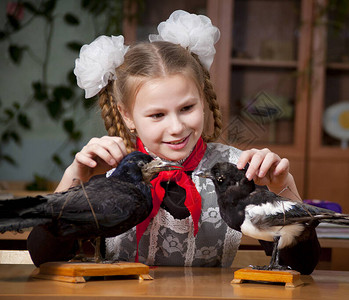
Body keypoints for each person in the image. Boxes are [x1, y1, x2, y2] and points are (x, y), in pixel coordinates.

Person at [27, 10, 320, 274]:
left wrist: (284, 187)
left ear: (203, 101)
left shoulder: (239, 172)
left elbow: (302, 265)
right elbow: (42, 257)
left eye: (186, 108)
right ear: (127, 116)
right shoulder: (107, 171)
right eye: (157, 115)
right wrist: (75, 179)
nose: (177, 127)